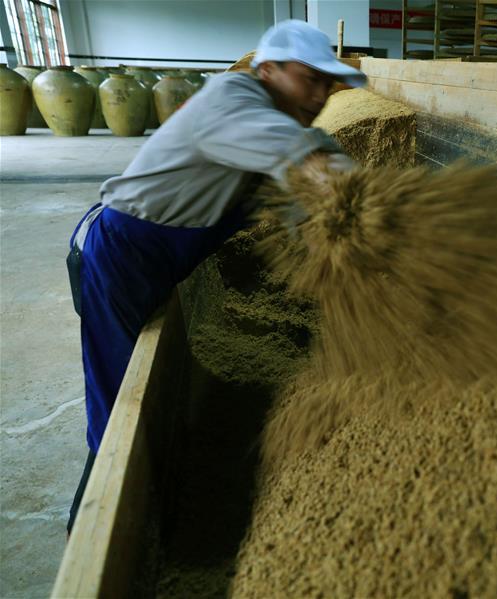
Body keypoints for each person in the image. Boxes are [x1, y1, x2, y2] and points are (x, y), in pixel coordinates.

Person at [64, 19, 365, 537]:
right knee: (117, 406)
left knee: (138, 403)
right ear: (268, 70)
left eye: (327, 83)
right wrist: (356, 199)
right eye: (308, 78)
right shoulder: (232, 100)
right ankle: (96, 529)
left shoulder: (288, 126)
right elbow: (300, 161)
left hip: (160, 257)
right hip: (118, 253)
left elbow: (314, 202)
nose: (320, 94)